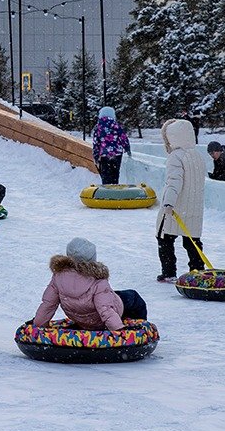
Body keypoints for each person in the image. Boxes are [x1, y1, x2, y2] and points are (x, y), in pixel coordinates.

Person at [32, 237, 147, 331]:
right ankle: (138, 327)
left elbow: (48, 304)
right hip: (100, 319)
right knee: (133, 297)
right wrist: (119, 330)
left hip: (81, 318)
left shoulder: (58, 277)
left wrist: (38, 325)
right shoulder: (97, 280)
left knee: (106, 295)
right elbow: (105, 309)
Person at [156, 118, 208, 282]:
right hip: (194, 206)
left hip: (176, 206)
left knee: (164, 237)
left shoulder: (175, 157)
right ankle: (197, 269)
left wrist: (168, 203)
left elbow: (174, 182)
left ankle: (169, 271)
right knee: (192, 239)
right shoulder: (197, 155)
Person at [91, 106, 130, 185]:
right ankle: (115, 190)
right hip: (117, 154)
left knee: (105, 174)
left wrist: (95, 156)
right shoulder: (116, 125)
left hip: (105, 155)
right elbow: (123, 138)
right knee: (115, 174)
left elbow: (96, 143)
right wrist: (127, 149)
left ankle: (107, 190)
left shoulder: (98, 127)